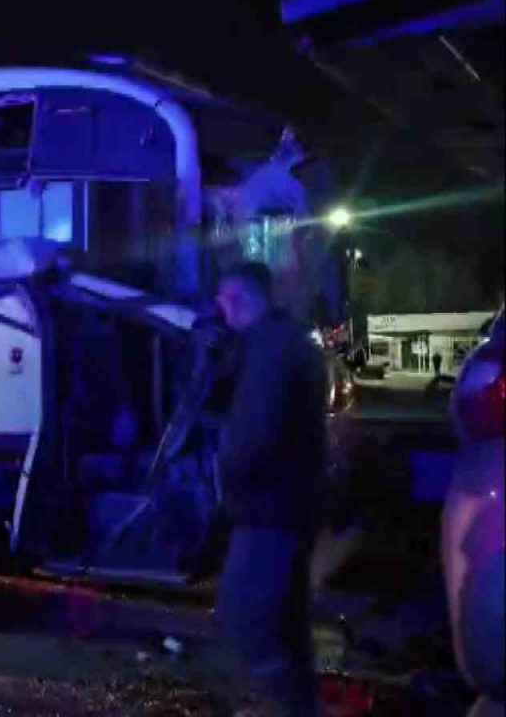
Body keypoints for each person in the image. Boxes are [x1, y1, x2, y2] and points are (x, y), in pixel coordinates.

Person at [213, 261, 326, 717]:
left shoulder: (269, 352)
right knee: (287, 623)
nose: (219, 309)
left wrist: (224, 475)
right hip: (293, 506)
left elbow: (254, 437)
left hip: (268, 512)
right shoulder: (289, 342)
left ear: (239, 299)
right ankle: (301, 708)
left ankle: (285, 709)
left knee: (247, 619)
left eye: (223, 299)